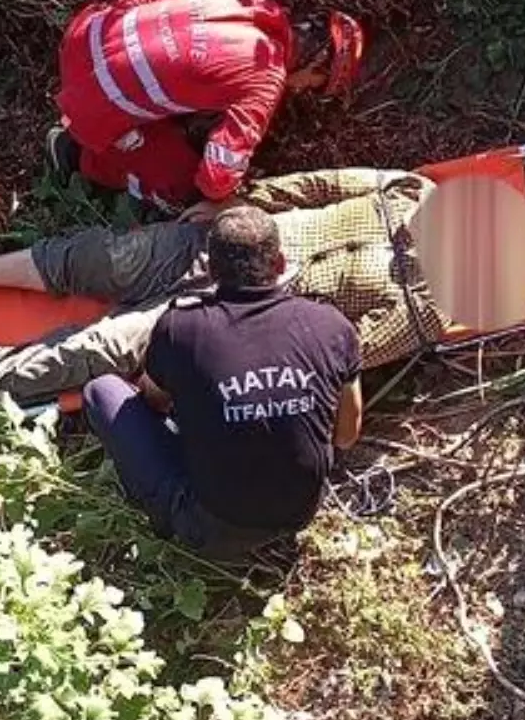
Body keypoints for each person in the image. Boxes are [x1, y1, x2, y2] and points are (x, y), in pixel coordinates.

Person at [0, 165, 444, 404]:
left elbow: (339, 353)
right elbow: (314, 186)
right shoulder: (406, 190)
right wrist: (237, 203)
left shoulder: (427, 306)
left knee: (104, 346)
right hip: (223, 243)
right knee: (107, 257)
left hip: (239, 307)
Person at [81, 206, 363, 557]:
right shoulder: (332, 327)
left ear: (210, 271)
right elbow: (347, 435)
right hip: (300, 512)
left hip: (212, 528)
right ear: (280, 263)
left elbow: (153, 401)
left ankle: (168, 512)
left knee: (101, 391)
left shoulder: (181, 328)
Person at [48, 0, 364, 211]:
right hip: (91, 105)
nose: (303, 90)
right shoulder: (265, 79)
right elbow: (216, 177)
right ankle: (74, 152)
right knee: (183, 185)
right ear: (317, 66)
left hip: (84, 36)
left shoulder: (246, 2)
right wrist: (226, 202)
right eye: (315, 85)